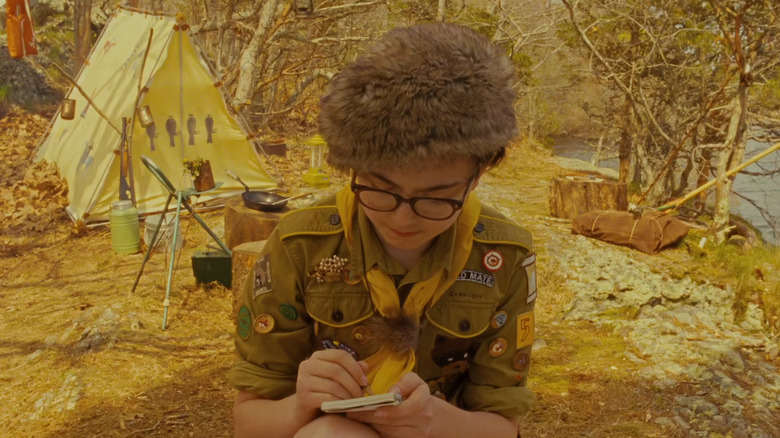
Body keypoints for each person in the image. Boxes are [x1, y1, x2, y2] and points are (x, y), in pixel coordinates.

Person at [229, 22, 538, 438]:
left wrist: (431, 420)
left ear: (478, 174)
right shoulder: (299, 245)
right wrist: (301, 405)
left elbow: (502, 427)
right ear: (353, 168)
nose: (402, 219)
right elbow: (250, 422)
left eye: (435, 197)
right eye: (381, 189)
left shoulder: (505, 255)